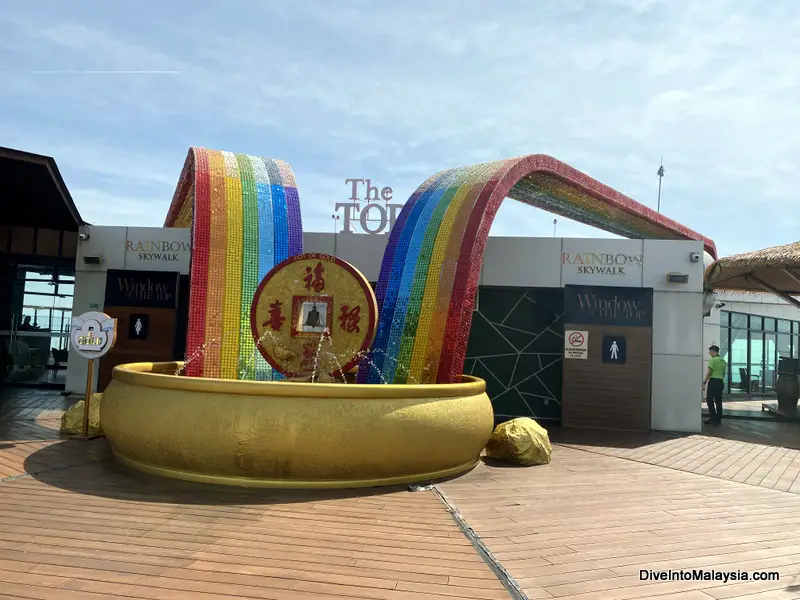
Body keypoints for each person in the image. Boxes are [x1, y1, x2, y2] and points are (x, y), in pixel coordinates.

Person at [704, 345, 726, 425]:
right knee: (718, 401)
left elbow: (709, 373)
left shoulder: (712, 360)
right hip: (720, 382)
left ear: (713, 351)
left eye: (709, 351)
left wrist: (704, 382)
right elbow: (723, 373)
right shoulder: (723, 361)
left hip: (713, 381)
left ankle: (713, 418)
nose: (709, 353)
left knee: (709, 400)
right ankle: (718, 419)